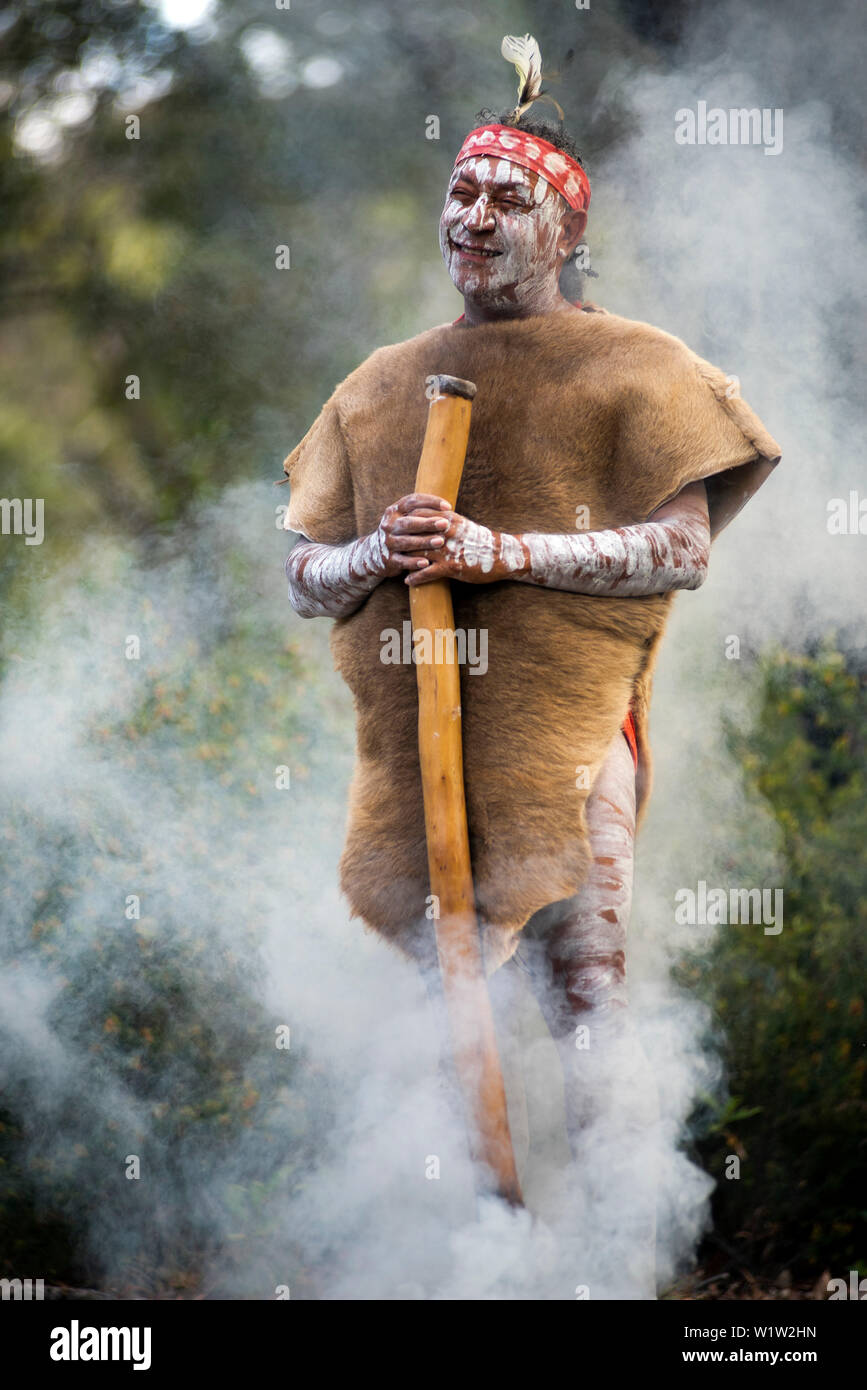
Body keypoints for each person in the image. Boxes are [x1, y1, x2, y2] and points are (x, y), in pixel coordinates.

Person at [279, 35, 780, 1292]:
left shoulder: (638, 364)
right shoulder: (381, 384)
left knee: (592, 1006)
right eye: (463, 191)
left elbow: (681, 551)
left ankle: (615, 1270)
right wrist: (375, 557)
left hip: (568, 750)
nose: (477, 214)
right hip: (419, 765)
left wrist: (495, 547)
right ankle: (467, 1270)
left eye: (510, 198)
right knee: (438, 1023)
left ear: (564, 233)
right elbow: (301, 576)